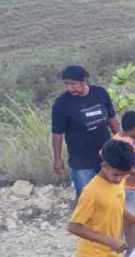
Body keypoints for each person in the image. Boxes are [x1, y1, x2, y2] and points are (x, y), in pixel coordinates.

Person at [51, 65, 119, 198]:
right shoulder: (61, 104)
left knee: (111, 194)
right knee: (85, 198)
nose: (69, 88)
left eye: (73, 84)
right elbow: (57, 133)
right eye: (66, 84)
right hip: (81, 161)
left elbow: (112, 118)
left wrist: (123, 142)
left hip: (106, 156)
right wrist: (57, 159)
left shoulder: (100, 93)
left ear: (85, 80)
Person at [112, 110, 135, 253]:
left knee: (123, 215)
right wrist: (133, 171)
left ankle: (120, 247)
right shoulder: (132, 143)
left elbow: (102, 153)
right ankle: (132, 251)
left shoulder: (116, 138)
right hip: (134, 187)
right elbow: (129, 162)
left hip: (119, 186)